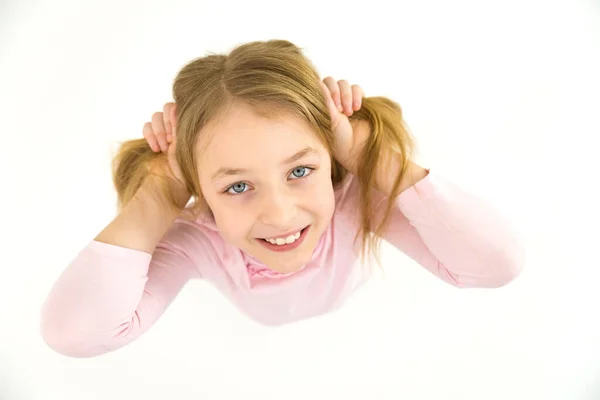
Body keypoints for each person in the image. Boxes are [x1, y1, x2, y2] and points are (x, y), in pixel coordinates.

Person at [40, 39, 525, 358]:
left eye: (300, 170)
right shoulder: (197, 238)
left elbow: (495, 265)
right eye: (236, 186)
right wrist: (160, 194)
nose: (280, 213)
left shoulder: (356, 199)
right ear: (199, 191)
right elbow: (74, 334)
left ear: (331, 155)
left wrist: (366, 155)